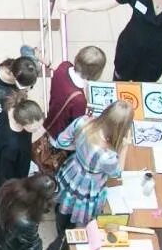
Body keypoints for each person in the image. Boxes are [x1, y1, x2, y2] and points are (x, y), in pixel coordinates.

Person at [50, 101, 132, 235]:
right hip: (89, 186)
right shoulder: (108, 155)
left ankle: (61, 226)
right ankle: (69, 234)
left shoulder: (83, 122)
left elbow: (61, 142)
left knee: (65, 199)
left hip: (72, 170)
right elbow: (116, 173)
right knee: (80, 209)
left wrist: (80, 149)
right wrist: (125, 147)